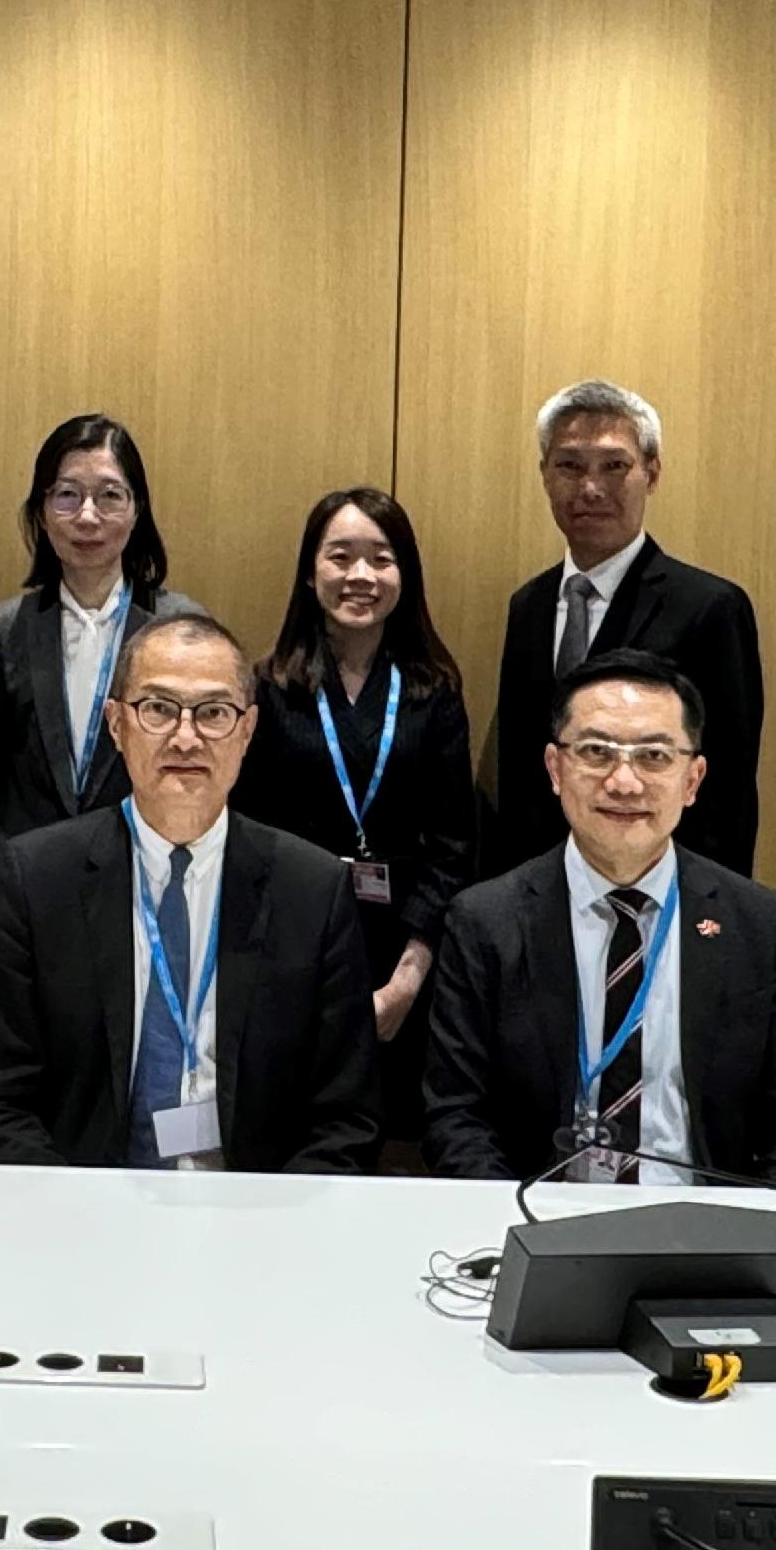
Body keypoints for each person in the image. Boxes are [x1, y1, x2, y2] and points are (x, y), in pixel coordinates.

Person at [0, 610, 376, 1172]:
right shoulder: (35, 879)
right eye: (157, 709)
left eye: (214, 713)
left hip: (257, 1218)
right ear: (116, 725)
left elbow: (347, 1119)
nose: (186, 736)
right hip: (83, 1212)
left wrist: (271, 1235)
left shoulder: (313, 890)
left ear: (248, 731)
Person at [424, 650, 776, 1187]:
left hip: (705, 1234)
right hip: (541, 1226)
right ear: (555, 769)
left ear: (693, 780)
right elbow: (455, 1119)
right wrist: (522, 1226)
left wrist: (755, 1236)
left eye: (654, 757)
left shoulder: (758, 923)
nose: (623, 782)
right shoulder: (485, 921)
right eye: (596, 752)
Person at [233, 486, 477, 1156]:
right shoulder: (269, 688)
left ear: (406, 574)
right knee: (299, 1132)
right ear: (311, 572)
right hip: (291, 942)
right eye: (341, 557)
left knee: (392, 1134)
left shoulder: (433, 693)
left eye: (381, 558)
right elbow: (245, 836)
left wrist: (406, 979)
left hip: (402, 945)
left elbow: (454, 848)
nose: (361, 576)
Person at [0, 414, 194, 1021]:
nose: (88, 517)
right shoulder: (7, 628)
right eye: (67, 495)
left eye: (110, 496)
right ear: (41, 510)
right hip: (24, 903)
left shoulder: (178, 630)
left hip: (144, 900)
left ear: (137, 511)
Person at [486, 380, 765, 876]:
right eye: (570, 466)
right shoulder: (528, 605)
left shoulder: (710, 608)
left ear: (651, 473)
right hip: (541, 892)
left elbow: (728, 792)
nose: (590, 488)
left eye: (614, 466)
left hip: (660, 889)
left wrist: (711, 917)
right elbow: (518, 774)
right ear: (545, 475)